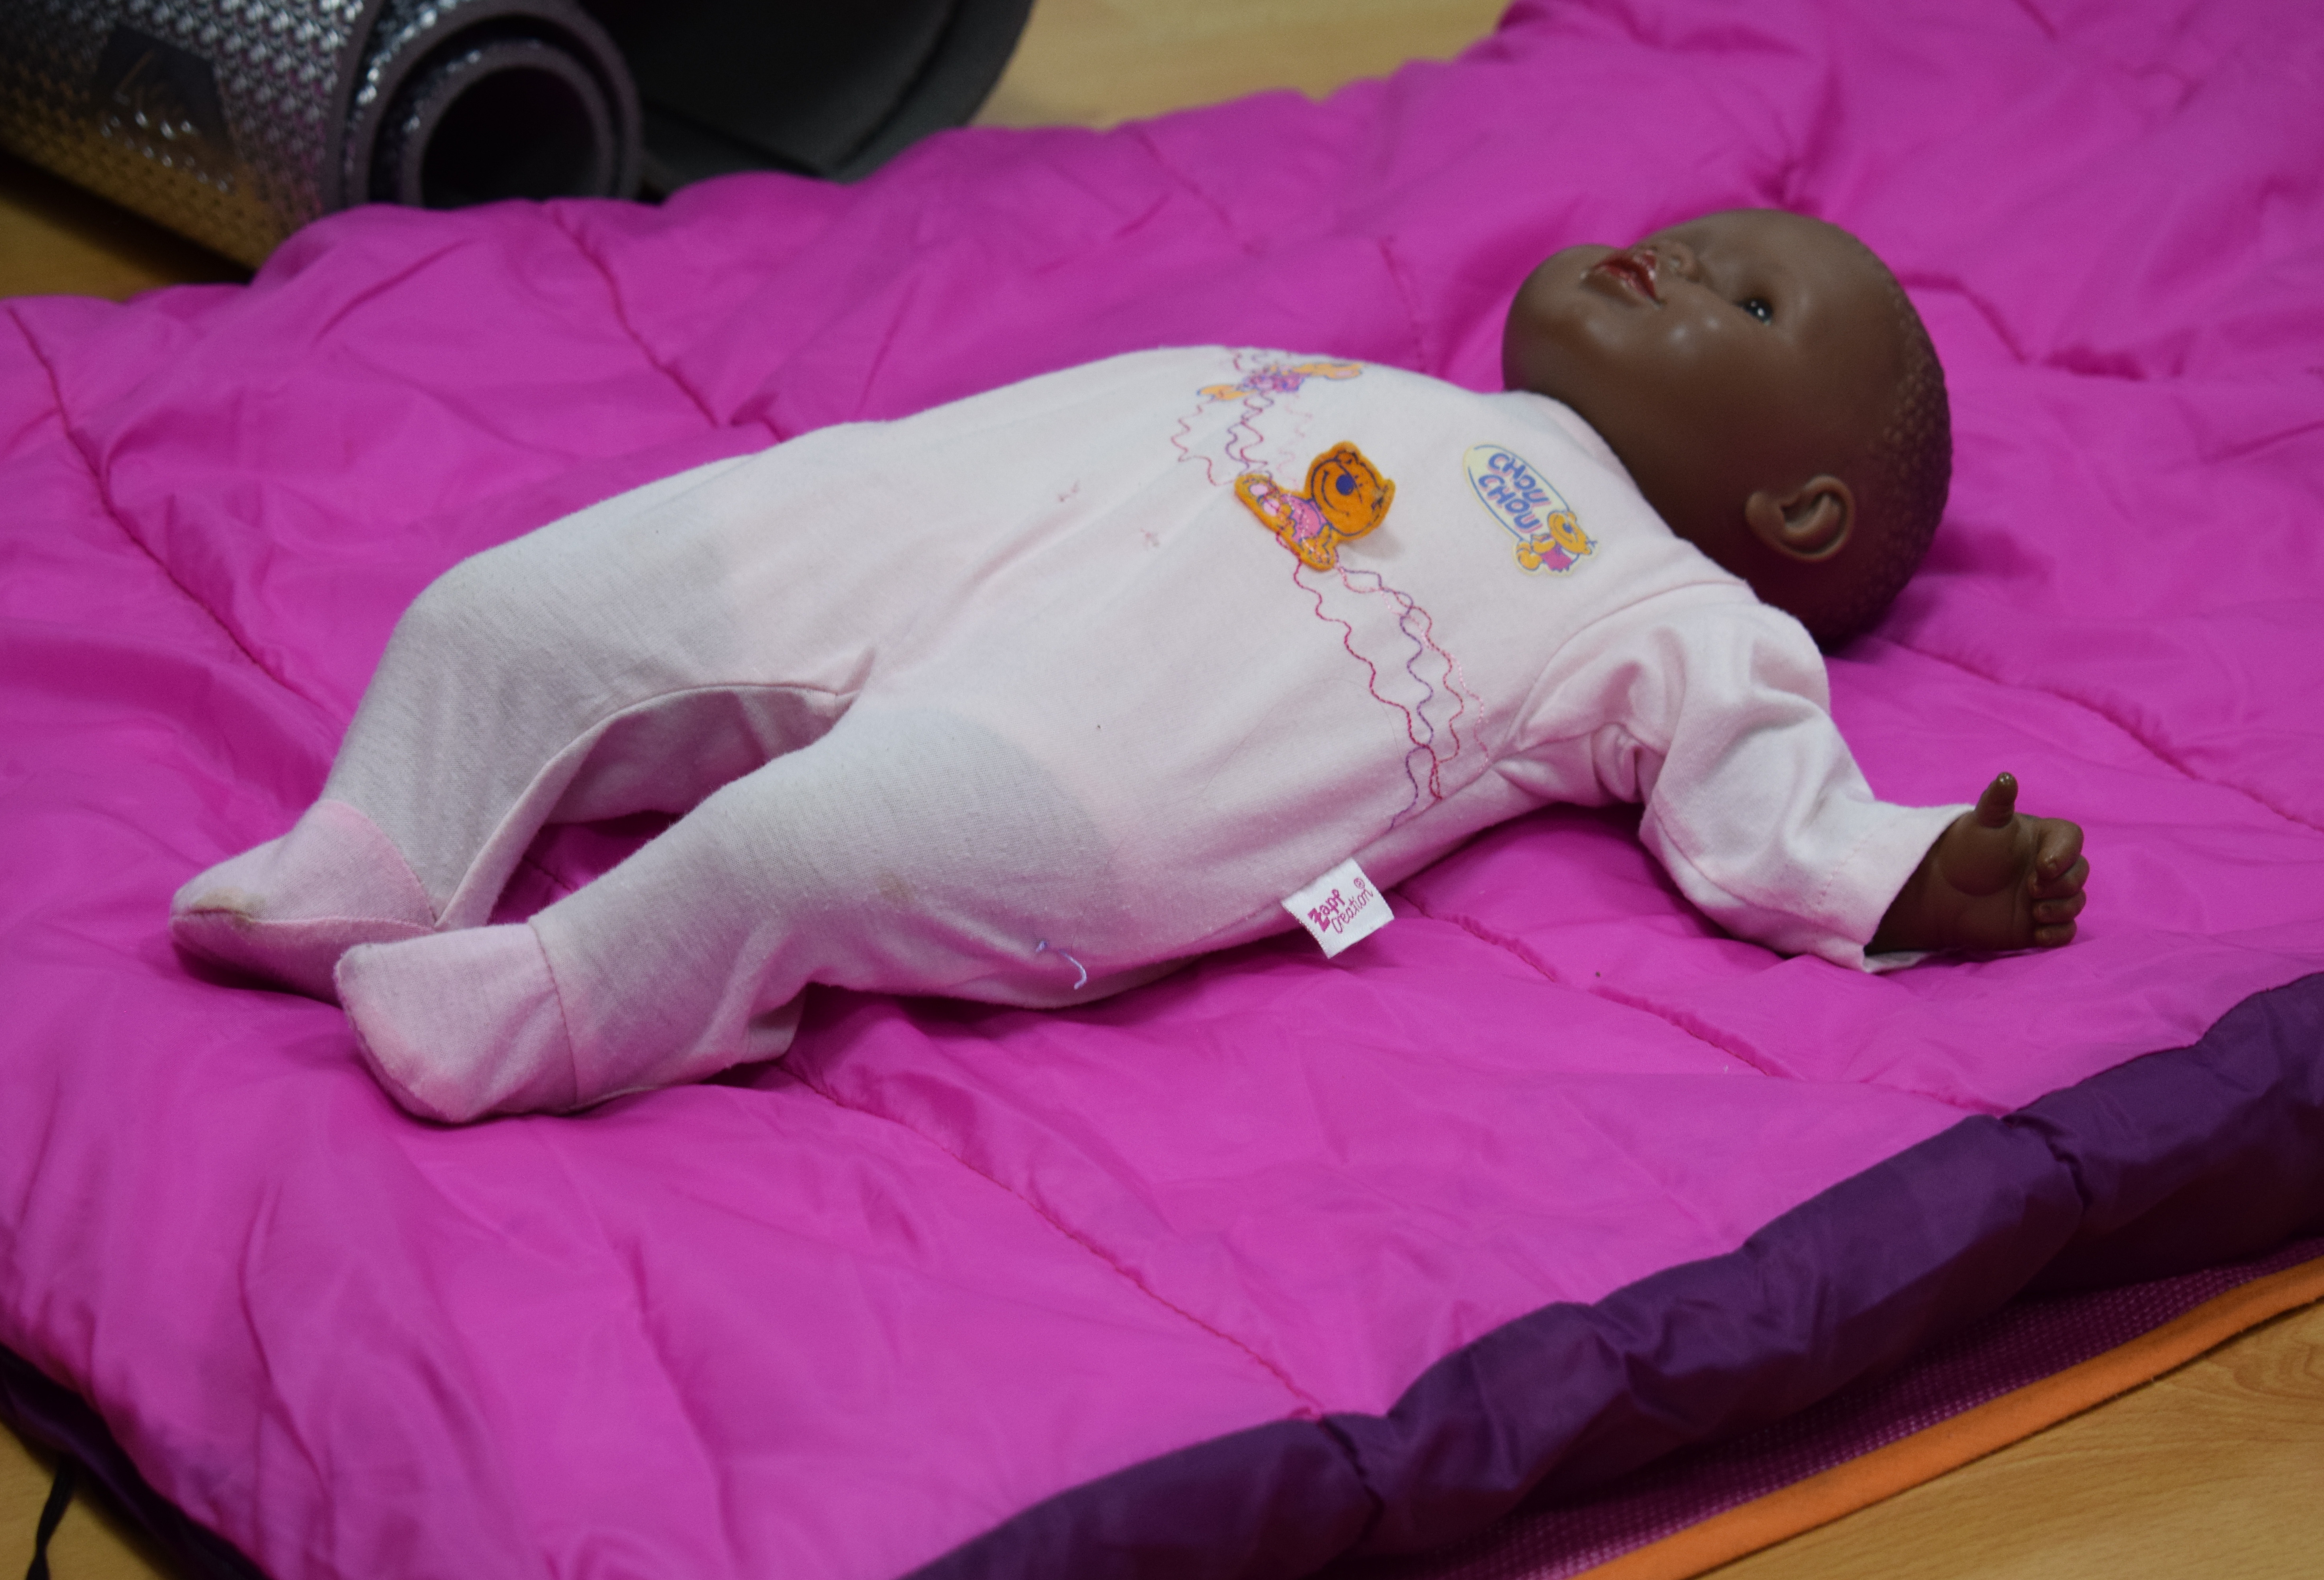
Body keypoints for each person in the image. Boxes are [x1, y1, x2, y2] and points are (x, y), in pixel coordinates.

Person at [172, 208, 2088, 1123]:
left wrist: (1908, 874)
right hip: (962, 524)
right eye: (1693, 239)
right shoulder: (1397, 390)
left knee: (800, 843)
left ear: (1801, 513)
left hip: (1122, 757)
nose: (1672, 256)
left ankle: (565, 1000)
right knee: (520, 609)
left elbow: (1760, 780)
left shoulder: (1667, 604)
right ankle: (380, 846)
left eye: (1744, 296)